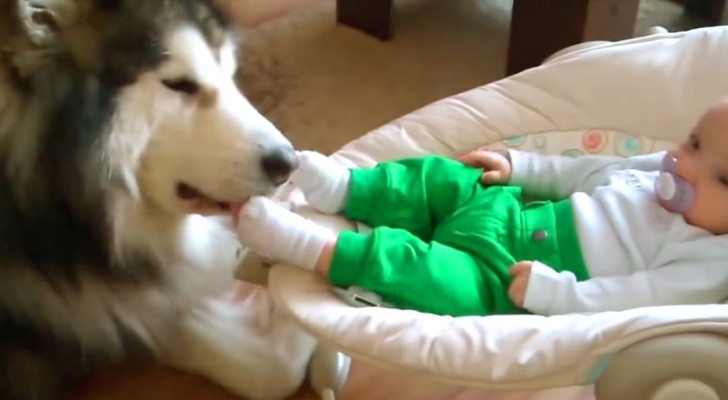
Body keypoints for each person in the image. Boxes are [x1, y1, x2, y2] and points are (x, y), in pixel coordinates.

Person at [234, 97, 728, 317]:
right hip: (511, 211)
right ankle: (346, 190)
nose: (683, 162)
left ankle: (313, 246)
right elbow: (586, 171)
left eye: (718, 176)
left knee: (426, 272)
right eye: (692, 142)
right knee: (441, 178)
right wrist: (520, 169)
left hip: (505, 278)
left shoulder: (707, 263)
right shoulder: (656, 170)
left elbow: (633, 300)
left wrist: (556, 295)